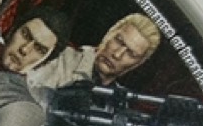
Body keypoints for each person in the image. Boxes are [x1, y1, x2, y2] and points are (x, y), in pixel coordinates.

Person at [27, 12, 160, 92]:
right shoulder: (60, 58)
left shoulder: (117, 102)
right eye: (119, 41)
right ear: (108, 34)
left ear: (137, 64)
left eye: (131, 54)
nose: (117, 54)